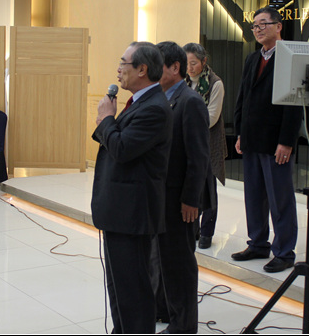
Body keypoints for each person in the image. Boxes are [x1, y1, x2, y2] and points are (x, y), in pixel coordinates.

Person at [91, 41, 173, 333]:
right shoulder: (139, 102)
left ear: (142, 69)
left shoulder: (154, 108)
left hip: (132, 214)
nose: (118, 70)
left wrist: (106, 119)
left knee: (133, 291)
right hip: (119, 212)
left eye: (123, 63)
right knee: (119, 287)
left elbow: (123, 149)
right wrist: (108, 122)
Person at [232, 7, 303, 273]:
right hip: (252, 137)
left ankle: (284, 251)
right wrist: (240, 132)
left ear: (278, 26)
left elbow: (294, 103)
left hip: (276, 141)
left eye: (263, 24)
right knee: (254, 195)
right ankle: (258, 243)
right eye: (255, 26)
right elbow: (243, 96)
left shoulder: (290, 56)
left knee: (279, 198)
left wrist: (287, 141)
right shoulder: (253, 58)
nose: (258, 29)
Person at [153, 41, 212, 334]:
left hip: (181, 201)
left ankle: (184, 325)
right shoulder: (162, 98)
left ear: (175, 68)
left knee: (179, 264)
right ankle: (165, 310)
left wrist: (191, 199)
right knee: (163, 259)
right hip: (162, 197)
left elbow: (198, 157)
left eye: (157, 66)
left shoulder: (190, 102)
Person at [183, 42, 227, 249]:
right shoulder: (183, 82)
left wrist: (186, 123)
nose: (190, 68)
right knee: (191, 185)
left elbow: (211, 117)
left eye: (193, 63)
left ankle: (207, 232)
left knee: (208, 189)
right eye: (186, 63)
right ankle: (193, 229)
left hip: (208, 142)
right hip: (187, 142)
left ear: (204, 61)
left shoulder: (215, 83)